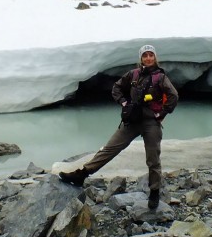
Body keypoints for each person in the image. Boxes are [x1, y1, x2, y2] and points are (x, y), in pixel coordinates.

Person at [59, 44, 179, 209]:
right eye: (145, 55)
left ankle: (154, 192)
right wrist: (123, 102)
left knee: (153, 159)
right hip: (132, 121)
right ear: (141, 58)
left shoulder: (160, 77)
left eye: (151, 55)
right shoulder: (133, 74)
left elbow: (173, 95)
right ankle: (81, 174)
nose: (148, 58)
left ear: (155, 57)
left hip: (151, 122)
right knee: (109, 149)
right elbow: (117, 88)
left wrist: (162, 112)